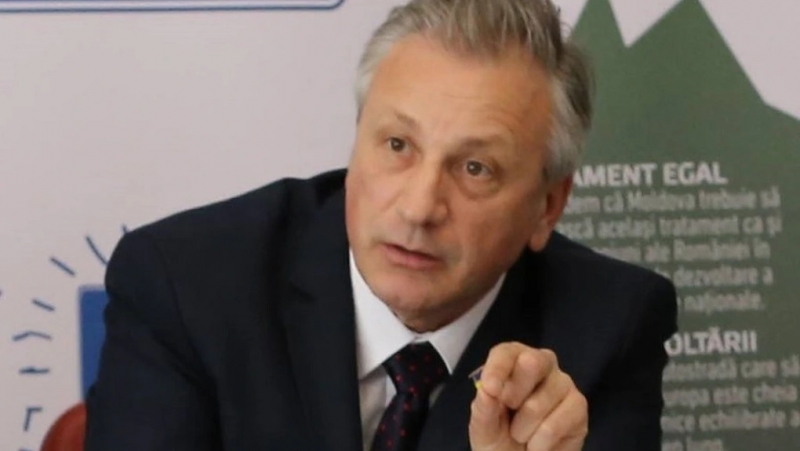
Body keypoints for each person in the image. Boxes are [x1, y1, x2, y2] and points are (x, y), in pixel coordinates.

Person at [85, 0, 677, 450]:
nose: (419, 208)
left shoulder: (606, 329)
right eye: (397, 145)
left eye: (475, 168)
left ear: (546, 207)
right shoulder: (186, 287)